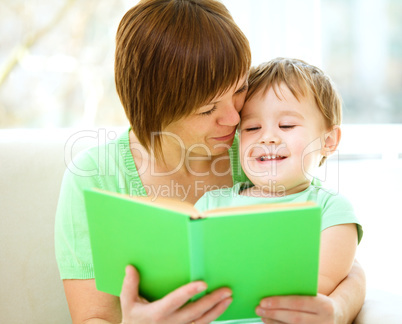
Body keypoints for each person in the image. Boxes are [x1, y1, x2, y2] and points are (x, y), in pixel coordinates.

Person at [55, 1, 366, 323]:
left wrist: (338, 310)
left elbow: (342, 263)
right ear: (154, 110)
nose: (234, 118)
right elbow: (93, 317)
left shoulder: (254, 149)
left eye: (239, 90)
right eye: (207, 110)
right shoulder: (96, 176)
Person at [194, 57, 363, 321]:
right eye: (251, 127)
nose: (268, 136)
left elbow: (321, 283)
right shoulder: (209, 204)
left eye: (286, 125)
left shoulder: (331, 209)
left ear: (328, 141)